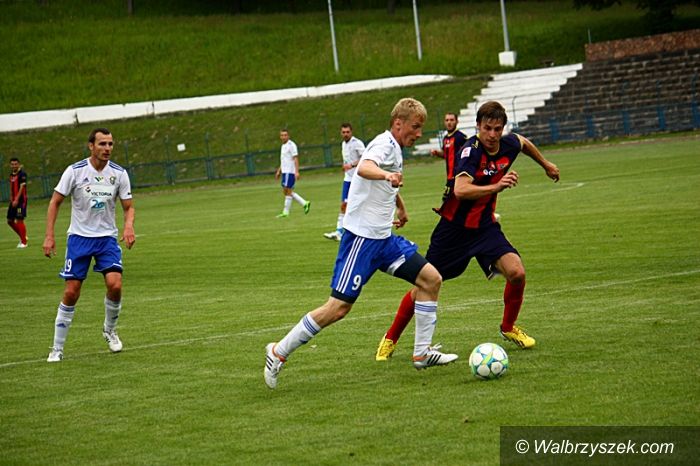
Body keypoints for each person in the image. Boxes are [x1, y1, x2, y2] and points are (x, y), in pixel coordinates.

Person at [264, 98, 458, 389]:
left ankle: (421, 353)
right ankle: (278, 352)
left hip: (385, 240)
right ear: (398, 123)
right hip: (362, 241)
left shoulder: (394, 147)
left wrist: (400, 207)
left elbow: (385, 182)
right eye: (416, 127)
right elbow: (366, 168)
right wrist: (387, 175)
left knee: (431, 279)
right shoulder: (383, 144)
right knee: (337, 308)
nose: (419, 133)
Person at [375, 100, 560, 361]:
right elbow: (461, 191)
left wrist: (546, 164)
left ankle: (508, 327)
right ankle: (391, 338)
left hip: (485, 228)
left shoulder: (508, 143)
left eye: (497, 129)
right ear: (478, 126)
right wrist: (497, 186)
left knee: (517, 273)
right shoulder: (469, 151)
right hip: (453, 231)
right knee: (425, 285)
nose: (492, 135)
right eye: (487, 128)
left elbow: (523, 142)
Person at [43, 128, 136, 362]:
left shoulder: (119, 173)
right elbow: (55, 202)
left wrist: (128, 227)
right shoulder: (74, 171)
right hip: (79, 238)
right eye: (102, 144)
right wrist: (49, 236)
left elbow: (128, 207)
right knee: (71, 292)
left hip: (106, 239)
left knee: (115, 285)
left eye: (110, 144)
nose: (107, 148)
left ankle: (109, 330)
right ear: (91, 146)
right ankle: (57, 348)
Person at [323, 123, 365, 241]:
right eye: (343, 132)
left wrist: (351, 165)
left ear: (351, 132)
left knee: (358, 206)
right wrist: (345, 165)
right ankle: (339, 231)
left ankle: (359, 231)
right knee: (344, 205)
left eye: (347, 132)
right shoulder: (343, 144)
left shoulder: (357, 143)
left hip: (358, 179)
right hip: (348, 179)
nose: (345, 134)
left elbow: (365, 158)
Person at [275, 129, 310, 218]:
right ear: (280, 137)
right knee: (286, 191)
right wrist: (279, 170)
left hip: (290, 172)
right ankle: (303, 203)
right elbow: (283, 160)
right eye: (282, 135)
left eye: (285, 135)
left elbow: (295, 158)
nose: (283, 137)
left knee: (288, 191)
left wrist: (297, 171)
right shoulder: (283, 146)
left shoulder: (291, 145)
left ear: (288, 136)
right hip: (284, 172)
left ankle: (287, 211)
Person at [430, 112, 467, 181]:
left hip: (459, 176)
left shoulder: (461, 137)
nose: (449, 122)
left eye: (452, 120)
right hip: (449, 176)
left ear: (457, 122)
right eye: (447, 120)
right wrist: (436, 153)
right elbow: (445, 155)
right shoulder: (445, 138)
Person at [7, 157, 28, 248]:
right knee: (10, 221)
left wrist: (16, 199)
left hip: (21, 201)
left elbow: (22, 187)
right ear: (10, 165)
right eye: (12, 164)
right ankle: (23, 236)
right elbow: (11, 187)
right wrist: (11, 197)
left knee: (19, 219)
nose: (14, 166)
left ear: (18, 164)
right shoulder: (11, 175)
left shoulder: (22, 174)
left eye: (16, 164)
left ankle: (24, 243)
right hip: (13, 201)